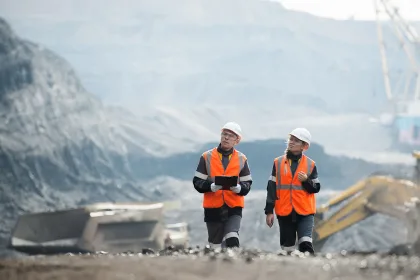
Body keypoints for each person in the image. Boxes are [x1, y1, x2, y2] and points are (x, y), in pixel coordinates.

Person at [193, 122, 253, 249]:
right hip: (213, 207)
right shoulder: (206, 157)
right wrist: (210, 186)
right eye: (224, 134)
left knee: (232, 238)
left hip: (234, 207)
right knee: (215, 246)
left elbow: (247, 183)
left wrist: (239, 188)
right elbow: (197, 182)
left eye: (231, 136)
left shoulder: (242, 159)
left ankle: (235, 267)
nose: (226, 138)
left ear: (237, 141)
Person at [264, 127, 321, 255]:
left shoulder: (310, 164)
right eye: (291, 139)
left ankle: (309, 272)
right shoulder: (277, 162)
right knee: (287, 248)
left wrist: (306, 180)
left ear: (304, 146)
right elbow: (271, 187)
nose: (291, 142)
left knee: (306, 244)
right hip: (284, 211)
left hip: (305, 211)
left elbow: (316, 188)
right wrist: (269, 211)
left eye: (296, 140)